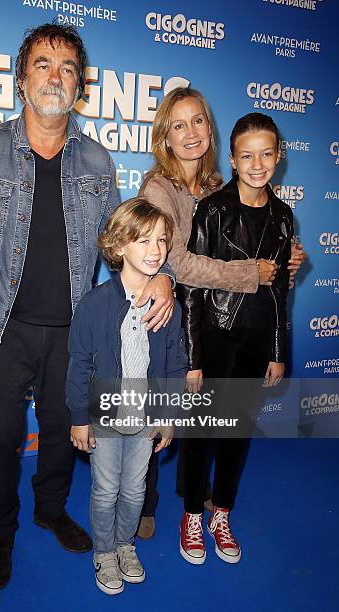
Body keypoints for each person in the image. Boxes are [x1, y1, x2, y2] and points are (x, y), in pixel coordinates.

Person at [0, 24, 174, 590]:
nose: (55, 75)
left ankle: (50, 509)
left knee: (65, 428)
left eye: (67, 67)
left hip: (72, 329)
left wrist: (159, 276)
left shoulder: (96, 161)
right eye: (42, 64)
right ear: (21, 80)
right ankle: (0, 534)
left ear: (80, 86)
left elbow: (125, 242)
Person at [137, 87, 305, 539]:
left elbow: (258, 249)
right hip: (166, 310)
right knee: (163, 410)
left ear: (209, 131)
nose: (190, 133)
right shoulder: (159, 187)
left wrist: (283, 260)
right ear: (165, 137)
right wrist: (253, 272)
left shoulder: (215, 186)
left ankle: (192, 496)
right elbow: (178, 262)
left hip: (211, 315)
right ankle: (145, 502)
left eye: (197, 122)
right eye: (178, 124)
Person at [177, 112, 293, 565]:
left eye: (266, 154)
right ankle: (191, 515)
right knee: (201, 432)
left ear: (278, 157)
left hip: (257, 341)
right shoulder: (213, 209)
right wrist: (193, 358)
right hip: (214, 336)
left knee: (237, 433)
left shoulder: (284, 217)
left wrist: (278, 351)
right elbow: (191, 287)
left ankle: (220, 514)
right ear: (232, 159)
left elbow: (281, 289)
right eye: (247, 155)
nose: (257, 163)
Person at [67, 197, 188, 595]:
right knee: (106, 489)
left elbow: (174, 363)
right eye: (144, 241)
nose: (156, 250)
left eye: (162, 240)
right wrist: (79, 417)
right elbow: (79, 366)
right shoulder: (94, 305)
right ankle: (103, 551)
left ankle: (125, 544)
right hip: (103, 415)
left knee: (135, 489)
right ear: (119, 246)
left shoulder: (168, 305)